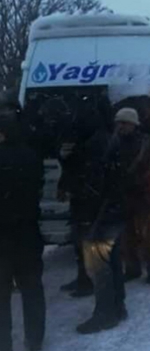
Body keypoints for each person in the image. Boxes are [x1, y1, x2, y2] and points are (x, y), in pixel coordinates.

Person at [58, 100, 112, 298]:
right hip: (82, 198)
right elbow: (72, 166)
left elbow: (88, 168)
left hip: (91, 199)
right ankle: (84, 278)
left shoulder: (98, 141)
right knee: (81, 242)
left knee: (92, 245)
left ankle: (92, 284)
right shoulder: (86, 139)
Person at [0, 118, 46, 351]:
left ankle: (3, 342)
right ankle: (34, 339)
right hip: (28, 232)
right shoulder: (31, 155)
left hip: (3, 235)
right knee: (32, 289)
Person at [114, 108, 150, 285]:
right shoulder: (114, 142)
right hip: (122, 195)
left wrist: (144, 180)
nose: (120, 126)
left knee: (148, 235)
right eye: (118, 123)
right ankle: (132, 269)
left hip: (143, 194)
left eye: (123, 123)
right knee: (126, 236)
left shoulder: (147, 142)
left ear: (133, 124)